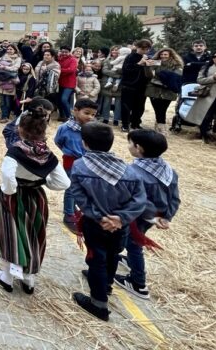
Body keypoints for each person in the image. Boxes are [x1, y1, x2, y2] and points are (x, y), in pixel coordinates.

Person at [70, 122, 147, 321]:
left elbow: (79, 196)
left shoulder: (80, 166)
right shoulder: (130, 170)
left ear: (84, 143)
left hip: (95, 224)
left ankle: (98, 304)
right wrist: (121, 218)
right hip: (120, 227)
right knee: (113, 255)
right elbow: (140, 200)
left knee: (96, 260)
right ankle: (107, 285)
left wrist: (99, 216)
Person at [0, 107, 69, 295]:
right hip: (36, 200)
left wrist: (10, 192)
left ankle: (7, 277)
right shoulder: (47, 154)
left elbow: (8, 177)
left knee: (10, 236)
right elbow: (64, 182)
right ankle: (29, 280)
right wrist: (42, 182)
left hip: (13, 199)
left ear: (21, 129)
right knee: (33, 235)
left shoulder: (15, 152)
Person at [115, 129, 180, 300]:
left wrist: (152, 216)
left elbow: (140, 201)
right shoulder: (168, 170)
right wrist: (166, 217)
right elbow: (175, 198)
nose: (128, 145)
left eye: (130, 143)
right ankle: (130, 261)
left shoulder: (133, 172)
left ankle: (138, 283)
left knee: (134, 243)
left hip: (139, 215)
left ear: (138, 148)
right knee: (137, 239)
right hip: (156, 216)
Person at [55, 98, 99, 233]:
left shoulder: (91, 128)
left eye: (93, 114)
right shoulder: (65, 128)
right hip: (71, 161)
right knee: (71, 188)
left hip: (86, 161)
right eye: (87, 113)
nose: (90, 117)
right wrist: (68, 151)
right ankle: (68, 215)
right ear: (75, 111)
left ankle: (73, 208)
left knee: (80, 187)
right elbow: (58, 141)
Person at [186, 50, 216, 147]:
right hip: (208, 95)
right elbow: (200, 80)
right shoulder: (206, 67)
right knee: (205, 117)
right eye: (214, 56)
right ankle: (203, 134)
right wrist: (213, 78)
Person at [144, 48, 183, 133]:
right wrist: (147, 67)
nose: (163, 56)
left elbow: (176, 76)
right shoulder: (156, 62)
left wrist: (163, 75)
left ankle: (159, 125)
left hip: (168, 90)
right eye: (161, 54)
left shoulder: (176, 64)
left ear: (170, 55)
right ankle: (161, 128)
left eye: (165, 54)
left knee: (163, 109)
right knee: (157, 109)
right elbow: (149, 75)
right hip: (154, 89)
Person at [120, 40, 153, 133]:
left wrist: (150, 65)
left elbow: (150, 73)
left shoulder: (148, 57)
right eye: (143, 49)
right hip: (129, 85)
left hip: (142, 86)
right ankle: (125, 125)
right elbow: (126, 70)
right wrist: (139, 63)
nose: (145, 51)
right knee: (126, 106)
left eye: (147, 49)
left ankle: (135, 123)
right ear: (138, 47)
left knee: (139, 107)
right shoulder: (130, 57)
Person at [99, 46, 124, 126]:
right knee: (107, 102)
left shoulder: (124, 60)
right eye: (113, 50)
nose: (115, 51)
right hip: (107, 83)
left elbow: (124, 71)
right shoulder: (107, 60)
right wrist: (118, 75)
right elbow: (105, 71)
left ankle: (116, 119)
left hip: (119, 84)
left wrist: (118, 73)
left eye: (117, 50)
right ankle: (105, 118)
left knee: (118, 103)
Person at [57, 46, 79, 121]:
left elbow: (71, 70)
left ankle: (70, 117)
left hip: (69, 84)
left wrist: (59, 70)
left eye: (66, 52)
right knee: (59, 100)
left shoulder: (73, 60)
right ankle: (62, 116)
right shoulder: (59, 59)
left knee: (64, 99)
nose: (64, 53)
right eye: (62, 51)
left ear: (69, 52)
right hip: (60, 82)